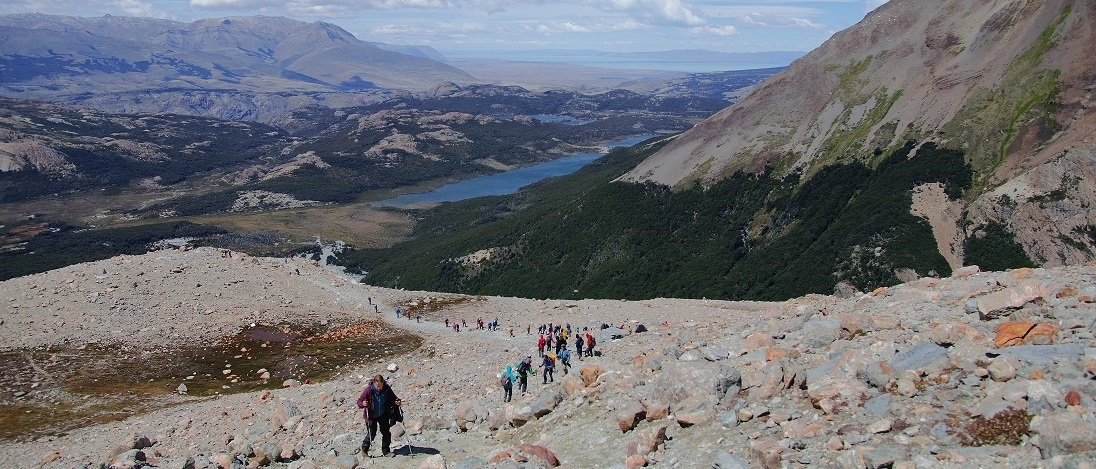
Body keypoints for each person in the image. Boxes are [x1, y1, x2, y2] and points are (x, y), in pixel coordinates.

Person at [357, 374, 402, 458]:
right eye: (377, 386)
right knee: (371, 433)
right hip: (371, 416)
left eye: (380, 386)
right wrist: (363, 404)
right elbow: (359, 402)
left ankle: (386, 451)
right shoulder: (368, 390)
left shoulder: (386, 389)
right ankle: (364, 450)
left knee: (386, 433)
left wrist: (396, 401)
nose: (379, 388)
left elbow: (393, 398)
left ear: (383, 383)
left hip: (383, 414)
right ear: (374, 383)